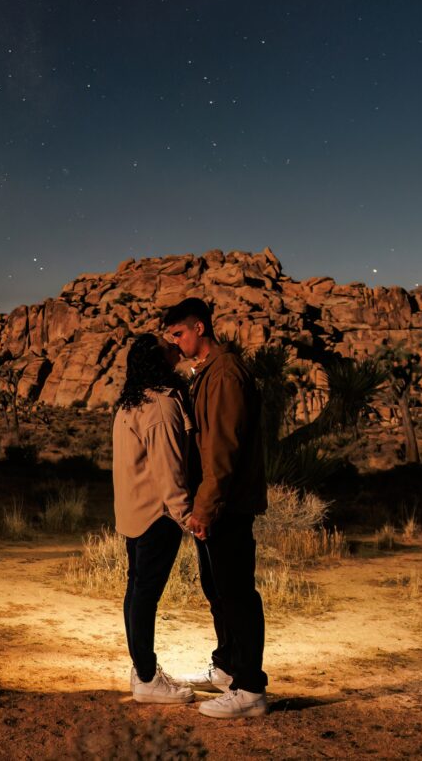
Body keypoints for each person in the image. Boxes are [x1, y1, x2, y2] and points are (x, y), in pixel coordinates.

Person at [161, 297, 270, 719]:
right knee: (219, 590)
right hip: (220, 502)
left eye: (180, 334)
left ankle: (250, 689)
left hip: (227, 504)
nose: (176, 342)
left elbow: (222, 450)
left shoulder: (224, 374)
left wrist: (204, 509)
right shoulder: (208, 373)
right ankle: (228, 668)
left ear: (200, 328)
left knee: (237, 593)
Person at [111, 334, 197, 704]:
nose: (175, 348)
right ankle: (146, 677)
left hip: (134, 513)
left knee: (137, 592)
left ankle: (142, 669)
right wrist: (186, 515)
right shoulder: (160, 406)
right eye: (168, 347)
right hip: (157, 515)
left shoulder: (131, 403)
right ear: (157, 360)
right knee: (145, 594)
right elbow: (168, 467)